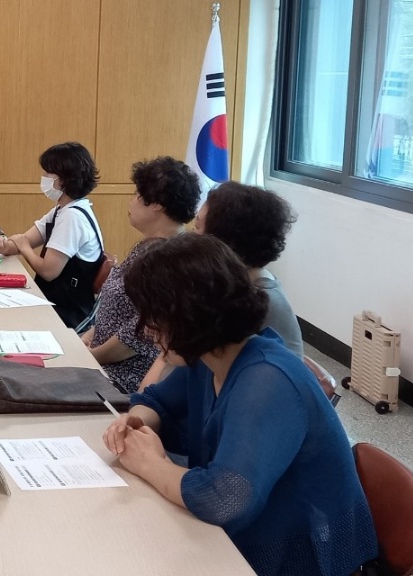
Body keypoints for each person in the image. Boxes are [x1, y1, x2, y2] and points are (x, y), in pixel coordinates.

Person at [102, 234, 377, 576]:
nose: (147, 331)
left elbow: (225, 500)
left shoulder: (267, 381)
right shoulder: (211, 356)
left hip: (300, 559)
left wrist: (148, 463)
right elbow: (157, 401)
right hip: (245, 538)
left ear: (188, 316)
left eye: (154, 318)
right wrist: (136, 422)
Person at [140, 181, 303, 390]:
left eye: (198, 227)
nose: (190, 236)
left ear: (224, 242)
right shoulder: (226, 285)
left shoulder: (251, 300)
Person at [81, 157, 200, 393]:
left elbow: (140, 333)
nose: (131, 200)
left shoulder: (169, 257)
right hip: (101, 362)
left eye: (137, 194)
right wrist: (90, 335)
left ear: (157, 204)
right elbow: (119, 307)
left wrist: (91, 356)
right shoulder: (147, 246)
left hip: (125, 378)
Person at [0, 142, 106, 328]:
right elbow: (27, 239)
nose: (43, 179)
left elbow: (48, 272)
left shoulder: (73, 217)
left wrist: (23, 247)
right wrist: (6, 246)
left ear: (65, 179)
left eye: (48, 174)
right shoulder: (62, 210)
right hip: (52, 301)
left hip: (68, 313)